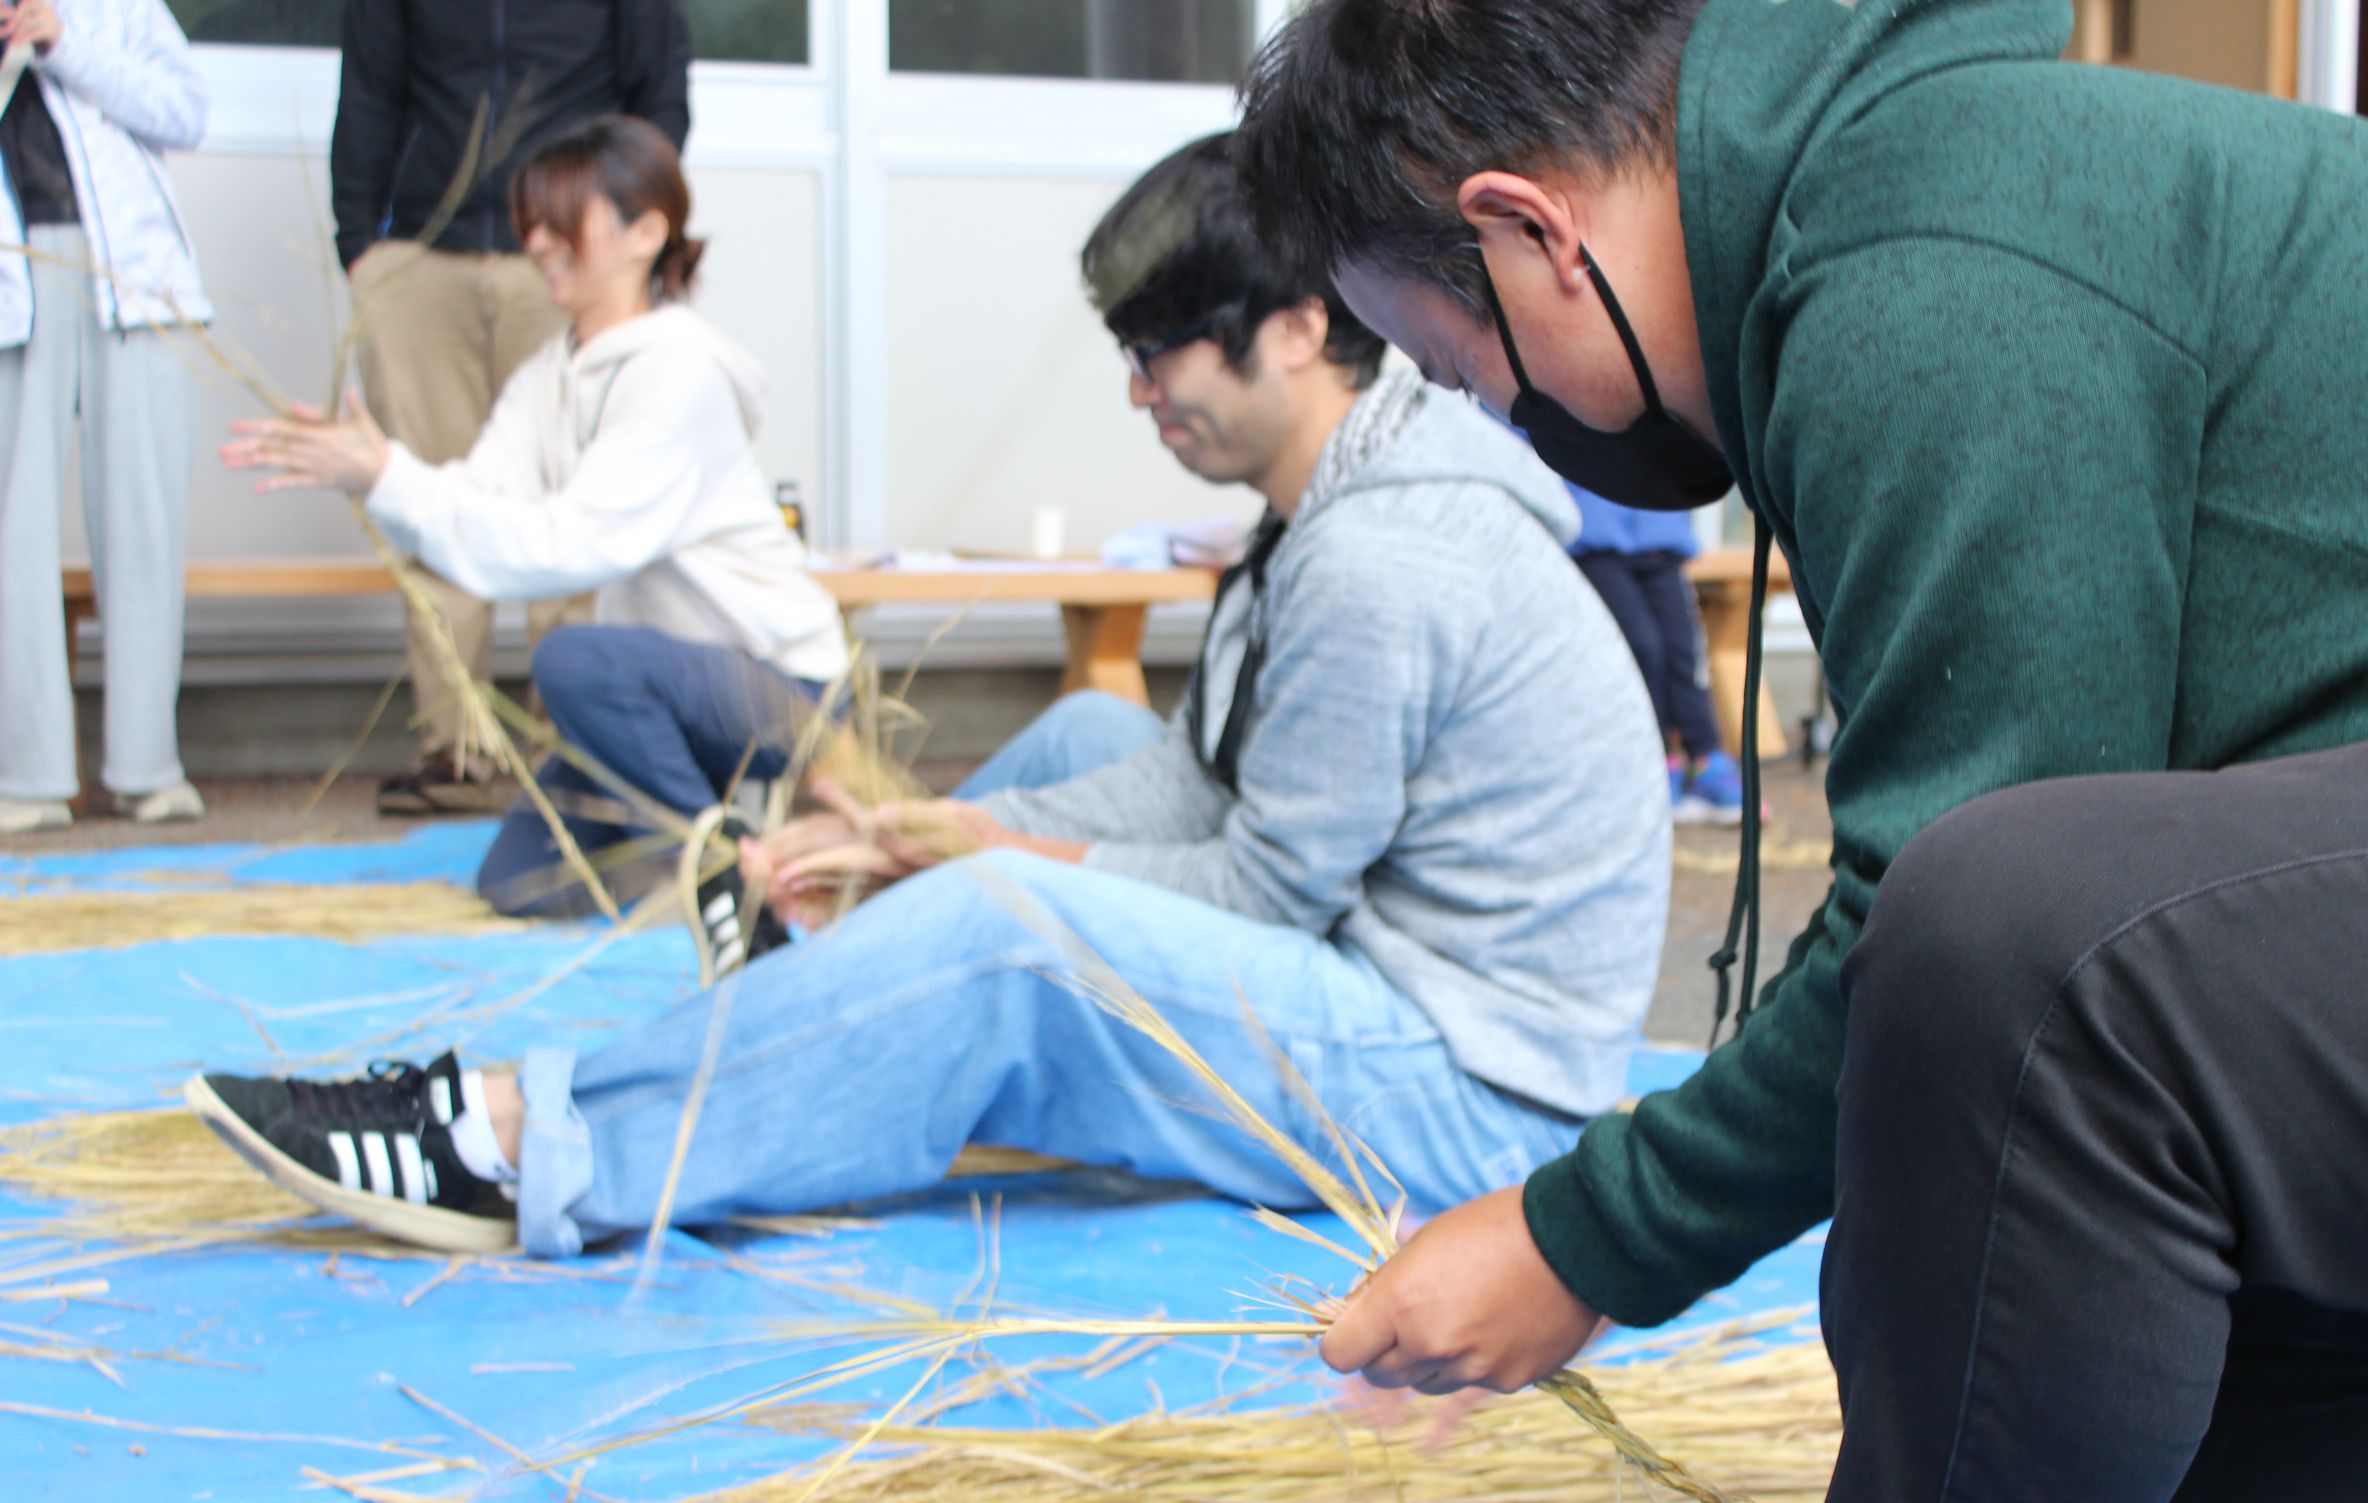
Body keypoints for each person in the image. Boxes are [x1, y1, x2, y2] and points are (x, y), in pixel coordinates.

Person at [1234, 2, 2368, 1503]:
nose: (1499, 412)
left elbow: (1968, 915)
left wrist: (1585, 1235)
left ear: (1524, 232)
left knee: (2017, 944)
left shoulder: (1933, 245)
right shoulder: (1874, 228)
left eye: (1460, 360)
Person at [187, 131, 1672, 1278]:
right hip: (1390, 981)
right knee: (1084, 761)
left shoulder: (1380, 556)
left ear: (1291, 328)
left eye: (1163, 354)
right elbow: (1192, 784)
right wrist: (926, 825)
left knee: (1007, 934)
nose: (1144, 396)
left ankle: (529, 1146)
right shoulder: (1334, 506)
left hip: (1470, 1102)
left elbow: (1266, 888)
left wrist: (979, 864)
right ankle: (843, 965)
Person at [228, 116, 845, 958]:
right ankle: (708, 824)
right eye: (533, 220)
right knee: (521, 881)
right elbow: (479, 494)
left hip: (783, 692)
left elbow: (571, 546)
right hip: (666, 701)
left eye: (565, 219)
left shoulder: (680, 375)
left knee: (572, 659)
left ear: (646, 232)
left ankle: (729, 878)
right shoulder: (551, 373)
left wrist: (390, 478)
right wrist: (378, 470)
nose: (540, 241)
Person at [331, 0, 691, 816]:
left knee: (575, 504)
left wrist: (620, 238)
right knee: (430, 498)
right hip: (423, 257)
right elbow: (370, 88)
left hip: (567, 260)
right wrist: (362, 247)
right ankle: (456, 749)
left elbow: (659, 88)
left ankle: (571, 750)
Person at [0, 0, 207, 836]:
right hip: (16, 286)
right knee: (14, 530)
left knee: (146, 522)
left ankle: (146, 766)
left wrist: (64, 45)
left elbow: (185, 113)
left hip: (137, 281)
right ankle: (30, 773)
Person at [1562, 484, 1746, 823]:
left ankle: (1706, 756)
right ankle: (1657, 762)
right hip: (1593, 537)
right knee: (1642, 647)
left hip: (1661, 532)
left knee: (1683, 650)